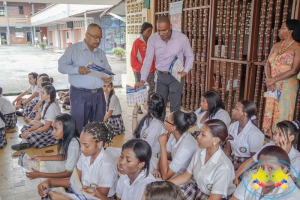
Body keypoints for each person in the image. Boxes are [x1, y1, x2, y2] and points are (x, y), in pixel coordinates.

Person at [37, 122, 117, 200]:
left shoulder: (106, 166)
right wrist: (49, 181)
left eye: (86, 146)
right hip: (83, 192)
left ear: (99, 144)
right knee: (48, 195)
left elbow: (98, 197)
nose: (81, 149)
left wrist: (67, 199)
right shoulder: (86, 155)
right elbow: (73, 181)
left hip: (98, 198)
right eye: (81, 144)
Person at [58, 23, 113, 133]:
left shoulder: (100, 53)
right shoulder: (73, 49)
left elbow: (108, 70)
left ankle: (96, 149)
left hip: (98, 95)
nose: (98, 41)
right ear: (87, 35)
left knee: (98, 128)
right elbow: (61, 67)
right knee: (78, 126)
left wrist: (108, 78)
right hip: (80, 94)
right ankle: (78, 149)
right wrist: (76, 70)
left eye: (100, 38)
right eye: (95, 37)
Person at [135, 16, 194, 112]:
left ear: (170, 26)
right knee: (159, 106)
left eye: (164, 30)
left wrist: (185, 71)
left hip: (176, 76)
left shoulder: (182, 39)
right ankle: (160, 126)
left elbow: (190, 56)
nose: (161, 33)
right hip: (161, 76)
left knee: (175, 107)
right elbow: (148, 59)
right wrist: (142, 79)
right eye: (159, 30)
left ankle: (173, 126)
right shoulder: (153, 39)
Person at [169, 119, 236, 200]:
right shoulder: (199, 153)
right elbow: (185, 177)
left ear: (216, 140)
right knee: (167, 195)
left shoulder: (224, 167)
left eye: (203, 135)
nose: (198, 136)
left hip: (213, 197)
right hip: (198, 190)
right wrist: (162, 185)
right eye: (200, 132)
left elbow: (214, 198)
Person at [263, 19, 300, 137]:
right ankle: (269, 135)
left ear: (290, 31)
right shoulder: (276, 45)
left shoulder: (297, 47)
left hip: (288, 86)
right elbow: (267, 64)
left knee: (283, 111)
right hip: (272, 85)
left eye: (282, 28)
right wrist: (270, 81)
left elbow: (294, 70)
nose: (279, 30)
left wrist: (273, 80)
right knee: (270, 109)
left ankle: (280, 137)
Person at [234, 120, 300, 185]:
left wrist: (283, 154)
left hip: (279, 188)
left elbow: (286, 181)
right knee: (245, 174)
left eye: (280, 134)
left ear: (291, 138)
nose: (275, 137)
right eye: (275, 133)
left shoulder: (297, 158)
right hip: (263, 179)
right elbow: (251, 161)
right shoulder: (270, 145)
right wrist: (236, 175)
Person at [231, 146, 300, 200]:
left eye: (270, 168)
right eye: (261, 166)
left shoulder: (291, 196)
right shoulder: (252, 175)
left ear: (284, 170)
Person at [25, 114, 80, 179]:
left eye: (56, 129)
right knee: (50, 162)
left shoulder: (73, 145)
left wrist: (40, 174)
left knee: (53, 166)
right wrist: (40, 157)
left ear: (67, 129)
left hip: (76, 174)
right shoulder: (67, 138)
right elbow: (65, 156)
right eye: (53, 128)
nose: (53, 132)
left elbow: (68, 173)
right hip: (72, 166)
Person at [11, 85, 61, 151]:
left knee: (31, 135)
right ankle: (27, 142)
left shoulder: (52, 107)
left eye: (43, 93)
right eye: (41, 92)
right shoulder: (45, 104)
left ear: (49, 95)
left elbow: (46, 127)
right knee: (25, 128)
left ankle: (26, 141)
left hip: (52, 130)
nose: (40, 94)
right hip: (46, 126)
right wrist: (29, 130)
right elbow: (41, 122)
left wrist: (30, 133)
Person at [154, 111, 198, 180]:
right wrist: (157, 169)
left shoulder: (185, 148)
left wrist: (163, 145)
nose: (165, 121)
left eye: (167, 121)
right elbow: (166, 154)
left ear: (173, 127)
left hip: (184, 178)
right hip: (176, 170)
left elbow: (165, 176)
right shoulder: (174, 134)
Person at [224, 100, 264, 169]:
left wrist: (231, 167)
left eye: (236, 109)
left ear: (244, 114)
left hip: (247, 165)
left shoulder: (255, 134)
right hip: (234, 159)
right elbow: (228, 150)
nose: (233, 110)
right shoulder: (232, 126)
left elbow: (254, 161)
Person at [132, 92, 165, 173]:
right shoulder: (147, 119)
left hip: (151, 159)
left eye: (145, 100)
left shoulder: (156, 125)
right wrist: (134, 113)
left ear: (150, 106)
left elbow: (145, 149)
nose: (144, 100)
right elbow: (134, 132)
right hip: (142, 152)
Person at [131, 22, 156, 114]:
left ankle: (147, 103)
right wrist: (141, 68)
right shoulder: (137, 42)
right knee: (139, 88)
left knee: (153, 87)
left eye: (151, 31)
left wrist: (154, 67)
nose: (150, 33)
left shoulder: (152, 42)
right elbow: (133, 58)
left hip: (151, 70)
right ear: (143, 30)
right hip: (139, 70)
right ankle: (138, 106)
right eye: (148, 31)